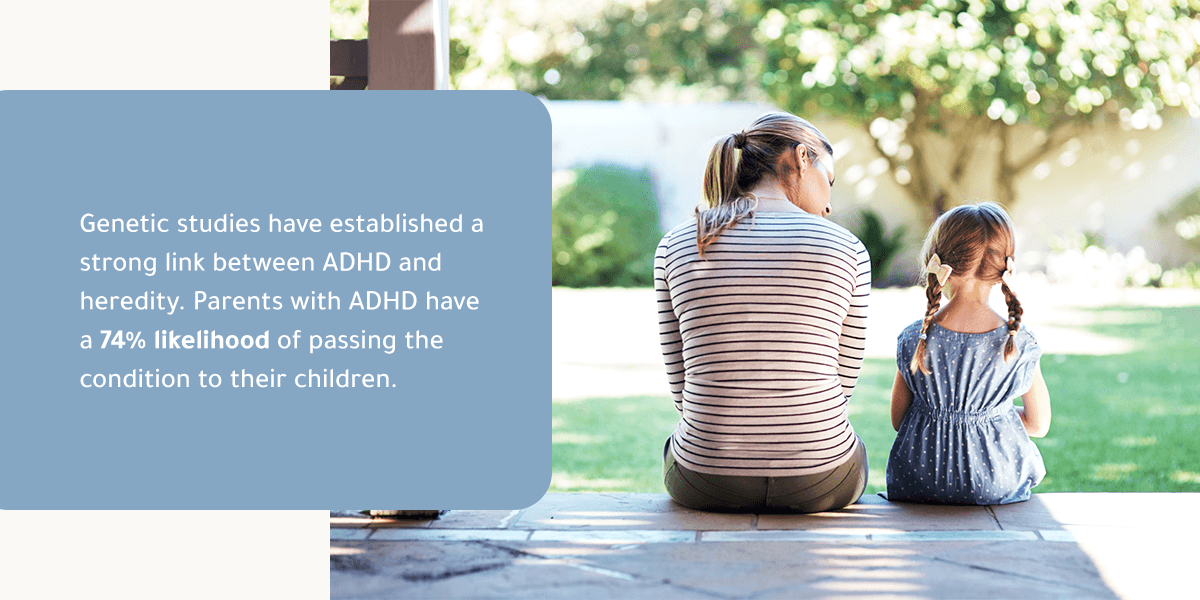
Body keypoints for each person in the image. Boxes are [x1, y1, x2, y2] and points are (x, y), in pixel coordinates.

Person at [655, 112, 871, 513]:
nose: (829, 203)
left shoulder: (677, 244)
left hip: (706, 480)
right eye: (830, 180)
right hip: (821, 480)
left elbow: (682, 388)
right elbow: (842, 386)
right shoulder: (847, 248)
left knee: (676, 444)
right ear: (803, 158)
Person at [886, 202, 1051, 505]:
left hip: (920, 481)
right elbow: (1038, 425)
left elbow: (899, 420)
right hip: (995, 483)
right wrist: (990, 414)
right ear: (1005, 268)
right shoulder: (1019, 342)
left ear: (937, 262)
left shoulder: (914, 338)